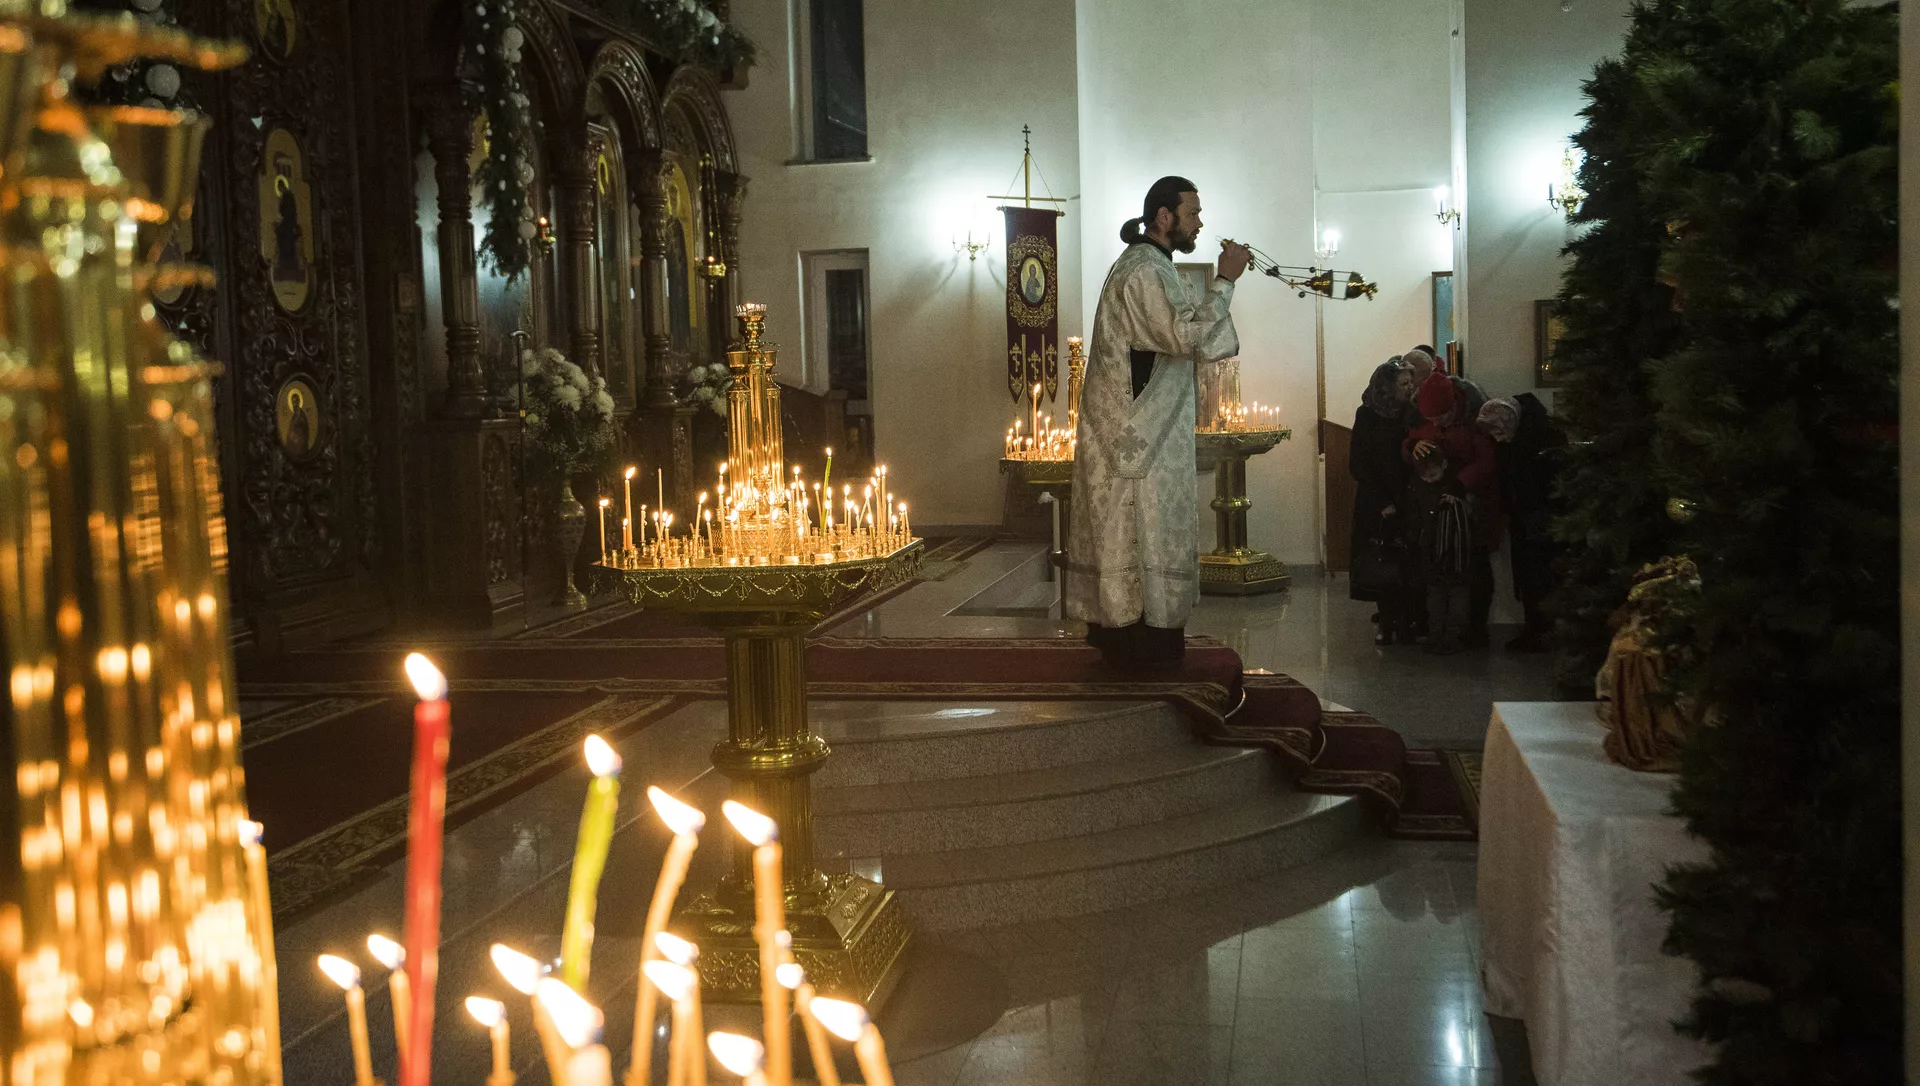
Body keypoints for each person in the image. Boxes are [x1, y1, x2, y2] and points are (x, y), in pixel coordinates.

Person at [1068, 176, 1251, 670]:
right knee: (1136, 529)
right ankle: (1137, 646)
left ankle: (1135, 643)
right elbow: (1186, 336)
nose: (1200, 222)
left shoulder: (1151, 265)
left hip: (1144, 434)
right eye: (1193, 213)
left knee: (1137, 531)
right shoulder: (1145, 270)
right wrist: (1226, 280)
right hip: (1136, 439)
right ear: (1164, 217)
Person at [1403, 372, 1497, 646]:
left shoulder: (1475, 419)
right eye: (1431, 419)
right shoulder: (1421, 418)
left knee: (1475, 570)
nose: (1436, 423)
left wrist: (1460, 483)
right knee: (1435, 576)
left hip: (1470, 505)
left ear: (1454, 406)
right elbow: (1409, 445)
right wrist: (1413, 446)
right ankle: (1435, 628)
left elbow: (1487, 461)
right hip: (1433, 506)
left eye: (1441, 417)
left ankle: (1474, 630)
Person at [1479, 394, 1565, 651]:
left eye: (1498, 431)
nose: (1496, 438)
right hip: (1521, 516)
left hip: (1542, 513)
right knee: (1527, 575)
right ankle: (1535, 628)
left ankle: (1546, 630)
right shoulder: (1512, 438)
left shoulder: (1543, 436)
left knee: (1542, 574)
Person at [1349, 360, 1415, 644]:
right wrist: (1383, 501)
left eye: (1411, 383)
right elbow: (1358, 463)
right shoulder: (1367, 414)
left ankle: (1409, 621)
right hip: (1376, 500)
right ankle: (1387, 622)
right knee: (1382, 560)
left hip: (1408, 496)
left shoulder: (1411, 413)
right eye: (1403, 384)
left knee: (1408, 560)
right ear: (1386, 387)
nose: (1410, 388)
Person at [1405, 447, 1475, 654]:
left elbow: (1473, 512)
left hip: (1455, 550)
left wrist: (1461, 504)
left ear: (1444, 465)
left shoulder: (1456, 485)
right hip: (1431, 548)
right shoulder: (1418, 486)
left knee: (1456, 595)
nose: (1429, 480)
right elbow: (1414, 516)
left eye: (1433, 475)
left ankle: (1453, 636)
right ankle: (1436, 634)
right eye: (1425, 477)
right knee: (1435, 595)